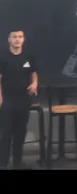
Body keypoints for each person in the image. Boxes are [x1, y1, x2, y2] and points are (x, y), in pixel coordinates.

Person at [0, 30, 38, 170]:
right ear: (9, 39)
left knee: (20, 131)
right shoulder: (3, 56)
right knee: (5, 132)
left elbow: (33, 73)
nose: (17, 39)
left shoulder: (28, 56)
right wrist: (0, 98)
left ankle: (18, 162)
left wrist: (34, 84)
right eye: (14, 37)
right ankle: (3, 163)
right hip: (7, 99)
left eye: (20, 37)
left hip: (23, 99)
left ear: (23, 39)